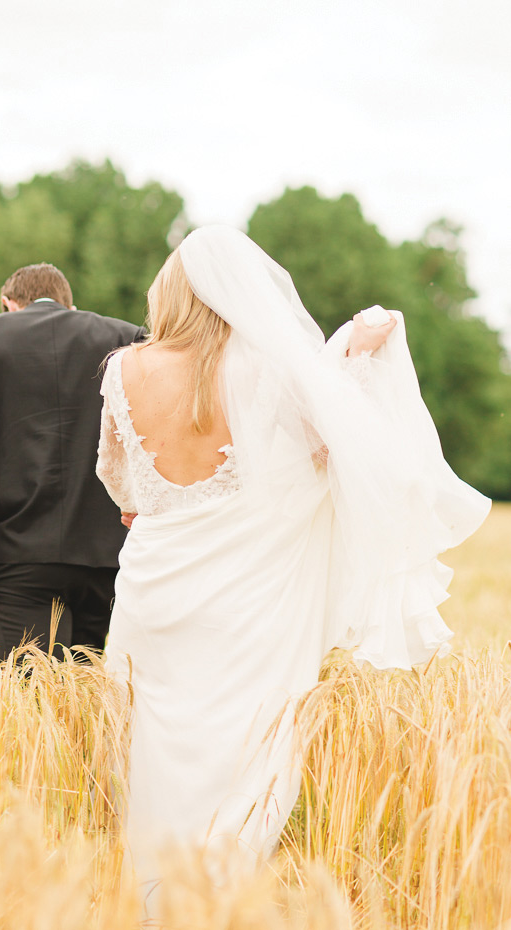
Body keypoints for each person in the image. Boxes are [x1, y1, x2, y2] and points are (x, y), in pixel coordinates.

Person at [96, 226, 490, 905]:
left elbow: (117, 478)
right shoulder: (255, 370)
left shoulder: (121, 369)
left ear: (169, 295)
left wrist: (164, 502)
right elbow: (325, 442)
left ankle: (149, 900)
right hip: (244, 599)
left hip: (152, 588)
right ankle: (219, 898)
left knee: (150, 748)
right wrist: (349, 353)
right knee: (246, 742)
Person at [0, 262, 145, 663]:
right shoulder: (125, 338)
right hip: (107, 557)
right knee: (87, 703)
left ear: (9, 304)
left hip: (14, 554)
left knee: (30, 708)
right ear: (70, 304)